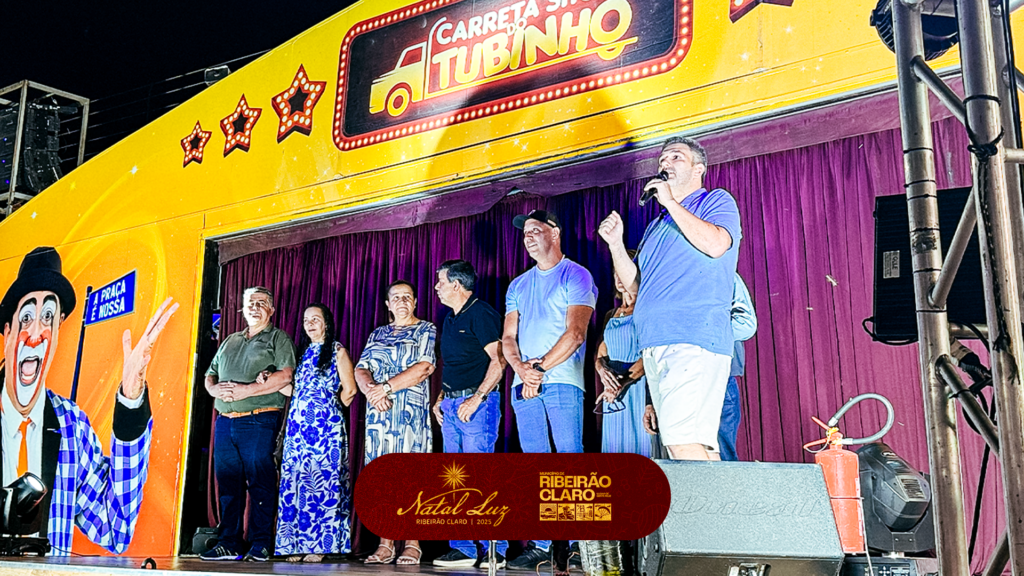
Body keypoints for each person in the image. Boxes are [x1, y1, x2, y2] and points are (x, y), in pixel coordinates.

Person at [0, 247, 177, 556]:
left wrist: (130, 401)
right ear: (8, 332)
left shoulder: (70, 425)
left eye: (48, 318)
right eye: (26, 317)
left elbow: (115, 528)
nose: (37, 333)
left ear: (57, 332)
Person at [600, 136, 741, 461]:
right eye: (662, 159)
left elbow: (716, 245)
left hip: (692, 338)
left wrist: (671, 203)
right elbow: (636, 287)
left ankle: (704, 498)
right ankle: (717, 497)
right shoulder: (656, 227)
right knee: (693, 446)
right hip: (656, 342)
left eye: (676, 157)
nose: (665, 163)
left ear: (699, 169)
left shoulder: (715, 201)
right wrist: (616, 244)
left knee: (681, 442)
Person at [502, 209, 597, 571]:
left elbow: (576, 333)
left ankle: (575, 545)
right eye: (524, 233)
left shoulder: (576, 274)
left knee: (568, 459)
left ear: (554, 233)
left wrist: (539, 370)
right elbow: (508, 337)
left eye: (534, 230)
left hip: (561, 381)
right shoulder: (518, 285)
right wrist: (521, 370)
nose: (527, 237)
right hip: (525, 384)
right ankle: (543, 544)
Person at [202, 286, 296, 562]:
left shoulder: (278, 338)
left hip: (259, 419)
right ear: (242, 309)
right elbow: (210, 375)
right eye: (250, 303)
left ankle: (261, 543)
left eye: (262, 303)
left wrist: (246, 391)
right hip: (225, 422)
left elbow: (285, 376)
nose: (255, 307)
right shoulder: (230, 340)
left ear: (272, 310)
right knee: (228, 484)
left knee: (260, 483)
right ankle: (229, 542)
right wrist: (213, 389)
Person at [431, 260, 508, 569]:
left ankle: (495, 549)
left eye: (440, 282)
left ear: (457, 285)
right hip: (451, 406)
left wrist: (477, 398)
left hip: (477, 405)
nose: (436, 287)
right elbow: (454, 365)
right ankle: (463, 548)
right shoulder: (450, 319)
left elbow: (499, 360)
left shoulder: (481, 313)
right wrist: (440, 398)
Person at [355, 280, 436, 566]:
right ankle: (385, 544)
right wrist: (371, 391)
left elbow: (424, 367)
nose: (402, 301)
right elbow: (361, 368)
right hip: (380, 416)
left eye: (407, 296)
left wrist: (385, 388)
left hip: (409, 414)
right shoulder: (377, 333)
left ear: (415, 302)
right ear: (388, 305)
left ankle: (412, 544)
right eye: (396, 297)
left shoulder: (425, 329)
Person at [276, 303, 357, 563]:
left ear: (326, 323)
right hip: (298, 429)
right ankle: (296, 544)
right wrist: (271, 381)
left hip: (325, 430)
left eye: (315, 319)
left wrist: (329, 411)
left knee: (323, 483)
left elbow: (350, 390)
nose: (309, 324)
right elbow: (294, 390)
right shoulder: (301, 353)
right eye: (306, 320)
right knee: (297, 482)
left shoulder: (337, 351)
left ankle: (321, 545)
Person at [595, 272, 649, 457]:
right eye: (616, 274)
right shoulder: (611, 314)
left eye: (623, 273)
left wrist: (621, 383)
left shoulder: (646, 310)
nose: (619, 278)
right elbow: (602, 353)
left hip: (636, 386)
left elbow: (648, 357)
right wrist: (601, 370)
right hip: (611, 390)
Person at [718, 274, 756, 461]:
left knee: (722, 451)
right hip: (676, 375)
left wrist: (701, 333)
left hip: (719, 377)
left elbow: (746, 325)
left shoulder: (724, 274)